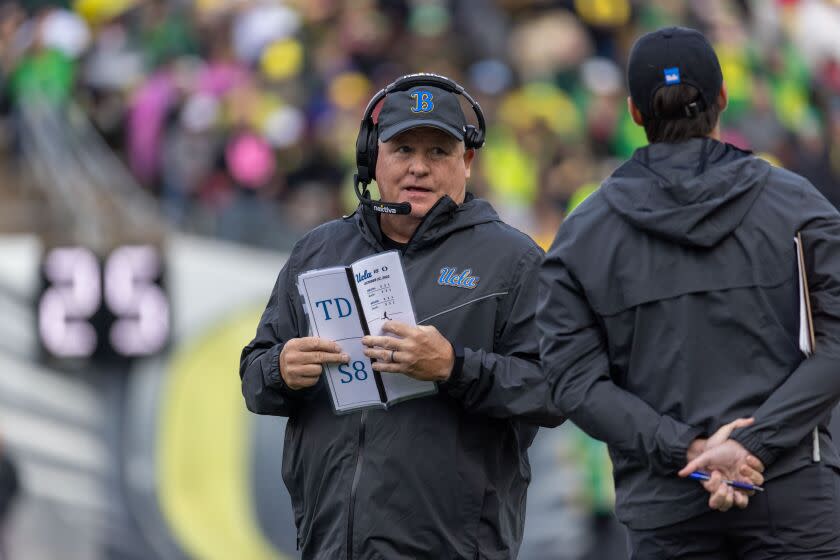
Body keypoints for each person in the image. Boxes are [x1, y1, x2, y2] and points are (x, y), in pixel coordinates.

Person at [537, 26, 840, 558]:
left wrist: (691, 449)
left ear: (633, 112)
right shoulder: (797, 204)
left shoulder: (585, 230)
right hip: (793, 498)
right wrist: (752, 445)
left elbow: (571, 381)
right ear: (722, 98)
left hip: (666, 504)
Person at [240, 74, 555, 559]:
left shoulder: (512, 261)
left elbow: (554, 392)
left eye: (438, 152)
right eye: (403, 149)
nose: (419, 168)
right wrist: (280, 368)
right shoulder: (318, 251)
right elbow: (254, 376)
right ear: (373, 159)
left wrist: (455, 368)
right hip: (328, 545)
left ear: (466, 162)